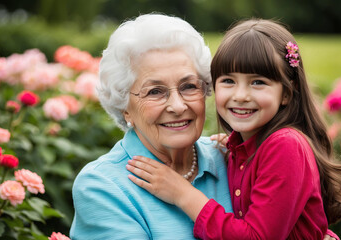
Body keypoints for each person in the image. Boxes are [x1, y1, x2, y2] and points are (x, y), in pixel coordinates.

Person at [126, 18, 341, 239]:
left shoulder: (286, 145)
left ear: (286, 92)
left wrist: (183, 194)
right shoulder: (246, 147)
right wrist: (237, 150)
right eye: (228, 81)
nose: (241, 95)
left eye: (258, 82)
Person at [69, 13, 232, 239]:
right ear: (124, 106)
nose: (177, 106)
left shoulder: (230, 159)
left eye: (188, 86)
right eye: (155, 91)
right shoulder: (101, 186)